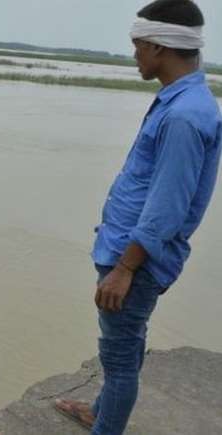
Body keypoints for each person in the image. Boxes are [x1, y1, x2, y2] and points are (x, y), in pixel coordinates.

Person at [54, 2, 222, 435]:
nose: (133, 56)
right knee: (125, 347)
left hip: (136, 259)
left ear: (158, 46)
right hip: (130, 252)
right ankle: (99, 412)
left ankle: (105, 427)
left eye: (137, 47)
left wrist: (125, 268)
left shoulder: (184, 115)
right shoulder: (184, 102)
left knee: (121, 358)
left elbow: (167, 207)